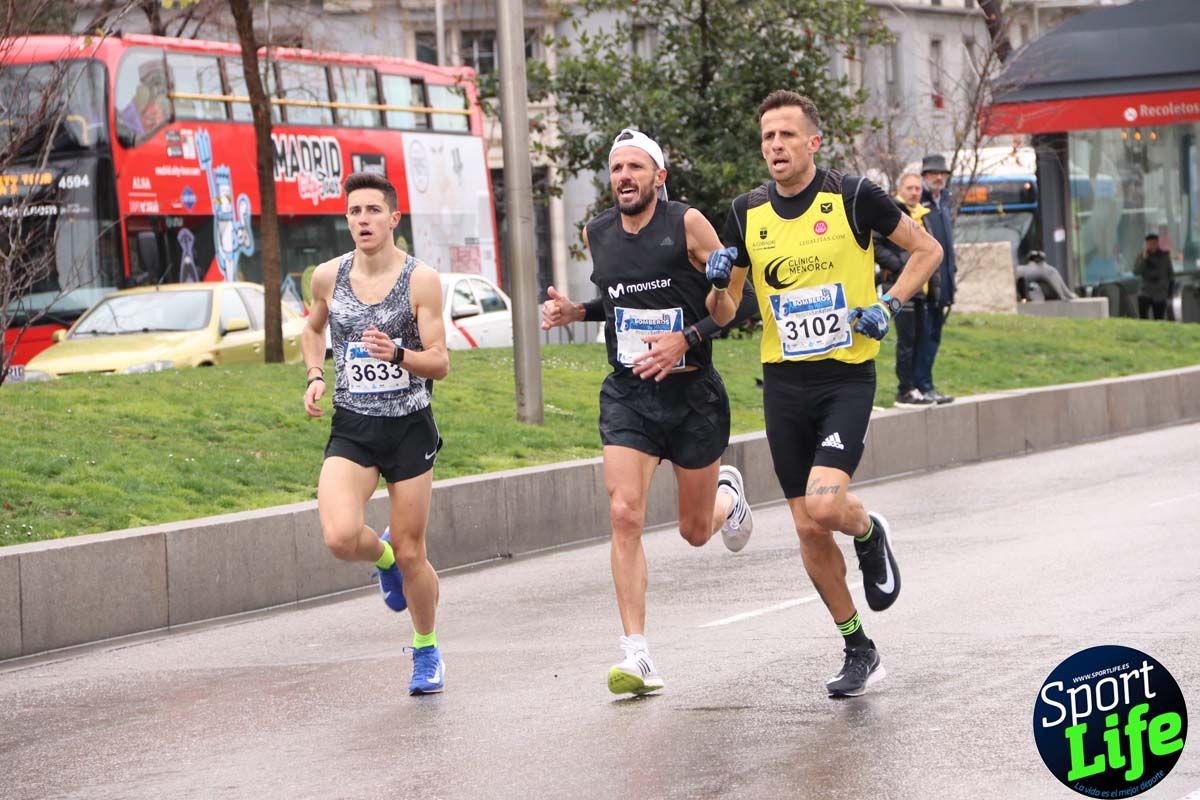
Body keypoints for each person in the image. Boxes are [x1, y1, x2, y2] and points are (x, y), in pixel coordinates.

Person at [721, 91, 942, 697]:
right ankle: (858, 647)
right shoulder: (746, 213)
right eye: (767, 137)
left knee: (824, 506)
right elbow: (729, 307)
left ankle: (869, 531)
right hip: (784, 384)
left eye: (787, 136)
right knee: (809, 530)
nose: (775, 146)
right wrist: (715, 281)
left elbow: (927, 251)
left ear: (812, 143)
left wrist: (888, 305)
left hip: (845, 377)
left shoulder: (852, 196)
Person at [541, 128, 755, 697]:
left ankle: (726, 497)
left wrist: (690, 335)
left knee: (692, 533)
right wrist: (574, 311)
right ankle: (636, 655)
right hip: (630, 392)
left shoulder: (687, 223)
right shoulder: (599, 231)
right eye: (617, 169)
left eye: (636, 167)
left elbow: (732, 305)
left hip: (692, 395)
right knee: (624, 513)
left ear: (659, 176)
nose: (625, 178)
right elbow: (618, 301)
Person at [301, 171, 450, 695]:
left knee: (415, 554)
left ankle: (427, 650)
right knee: (341, 536)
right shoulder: (328, 276)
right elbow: (313, 329)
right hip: (355, 426)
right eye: (354, 212)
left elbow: (440, 361)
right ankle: (381, 558)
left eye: (372, 211)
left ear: (393, 218)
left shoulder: (421, 281)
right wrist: (316, 374)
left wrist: (400, 355)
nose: (362, 220)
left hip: (409, 427)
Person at [876, 172, 936, 407]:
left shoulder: (923, 214)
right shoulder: (891, 212)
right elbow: (875, 243)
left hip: (922, 289)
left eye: (917, 189)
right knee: (906, 342)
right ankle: (905, 390)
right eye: (909, 188)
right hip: (900, 289)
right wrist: (900, 264)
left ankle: (919, 387)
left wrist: (935, 288)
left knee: (921, 342)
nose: (914, 192)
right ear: (900, 189)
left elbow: (931, 250)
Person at [914, 153, 957, 405]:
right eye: (933, 174)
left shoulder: (945, 202)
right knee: (924, 336)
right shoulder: (921, 204)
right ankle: (922, 384)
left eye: (941, 173)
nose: (938, 177)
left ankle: (927, 382)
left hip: (945, 281)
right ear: (924, 177)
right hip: (928, 283)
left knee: (934, 336)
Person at [1133, 234, 1174, 320]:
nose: (1152, 246)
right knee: (1143, 318)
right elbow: (1136, 272)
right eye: (1149, 244)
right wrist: (1144, 259)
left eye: (1154, 244)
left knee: (1159, 318)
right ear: (1146, 245)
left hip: (1160, 292)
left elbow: (1170, 274)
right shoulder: (1141, 256)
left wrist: (1170, 291)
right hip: (1145, 291)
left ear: (1157, 244)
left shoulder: (1164, 257)